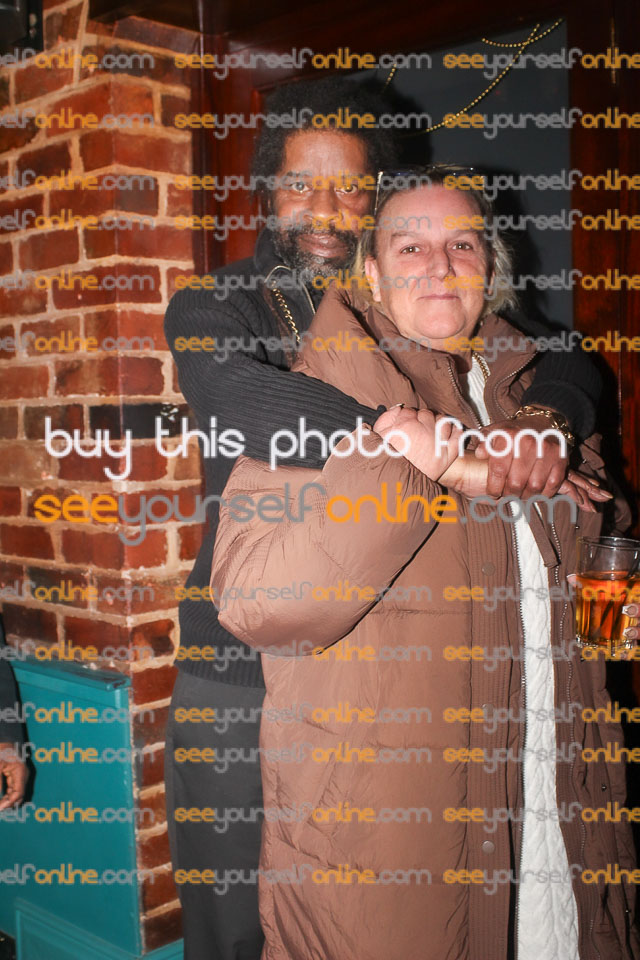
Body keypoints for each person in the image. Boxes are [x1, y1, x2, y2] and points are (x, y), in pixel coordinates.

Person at [163, 77, 603, 959]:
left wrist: (547, 420)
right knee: (234, 930)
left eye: (351, 186)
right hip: (240, 665)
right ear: (267, 192)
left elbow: (563, 358)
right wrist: (430, 450)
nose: (325, 208)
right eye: (301, 184)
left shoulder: (419, 304)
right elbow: (243, 401)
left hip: (380, 679)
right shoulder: (220, 305)